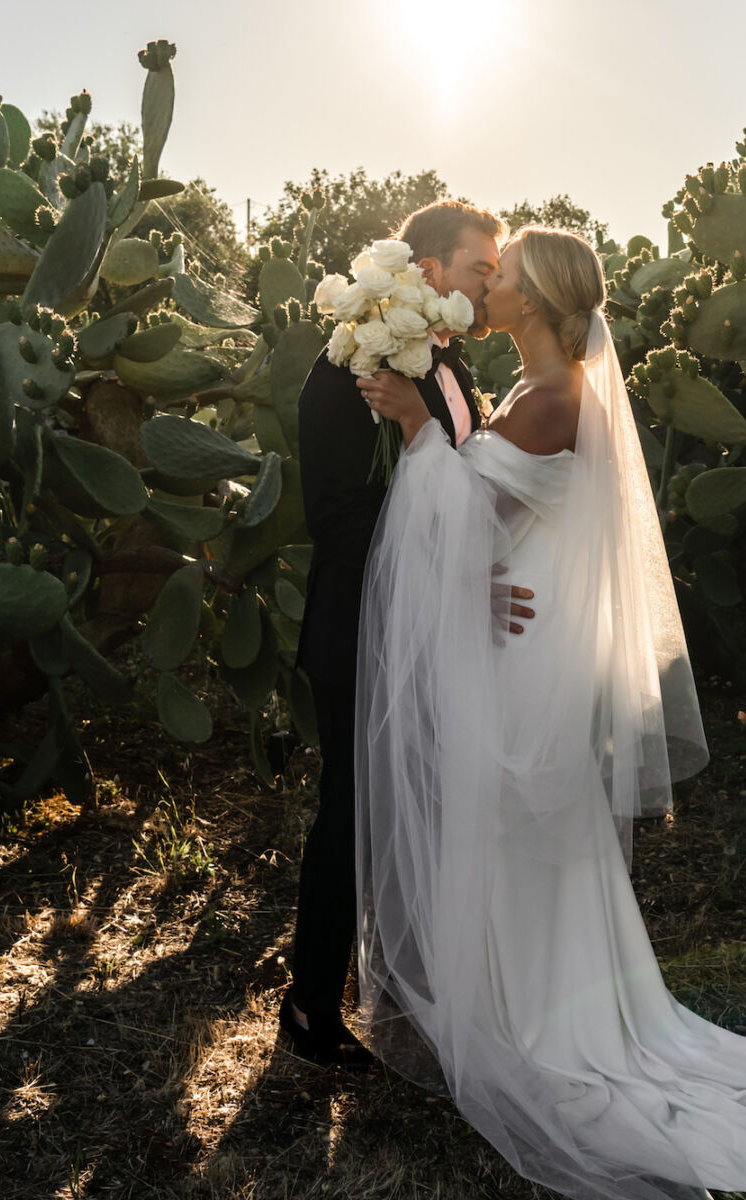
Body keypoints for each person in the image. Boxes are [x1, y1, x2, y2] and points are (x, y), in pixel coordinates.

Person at [351, 226, 746, 1199]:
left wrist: (420, 429)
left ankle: (537, 1019)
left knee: (518, 824)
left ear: (540, 303)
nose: (488, 284)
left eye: (502, 276)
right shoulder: (531, 396)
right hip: (522, 640)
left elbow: (460, 508)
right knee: (520, 834)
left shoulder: (554, 401)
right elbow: (493, 527)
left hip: (530, 663)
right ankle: (518, 1002)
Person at [285, 199, 534, 1066]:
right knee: (353, 813)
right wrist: (449, 577)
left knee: (420, 810)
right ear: (427, 269)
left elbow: (458, 486)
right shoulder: (347, 370)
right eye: (479, 265)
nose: (489, 280)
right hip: (362, 634)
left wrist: (479, 580)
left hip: (436, 633)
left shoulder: (448, 366)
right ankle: (311, 1008)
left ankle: (413, 988)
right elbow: (341, 522)